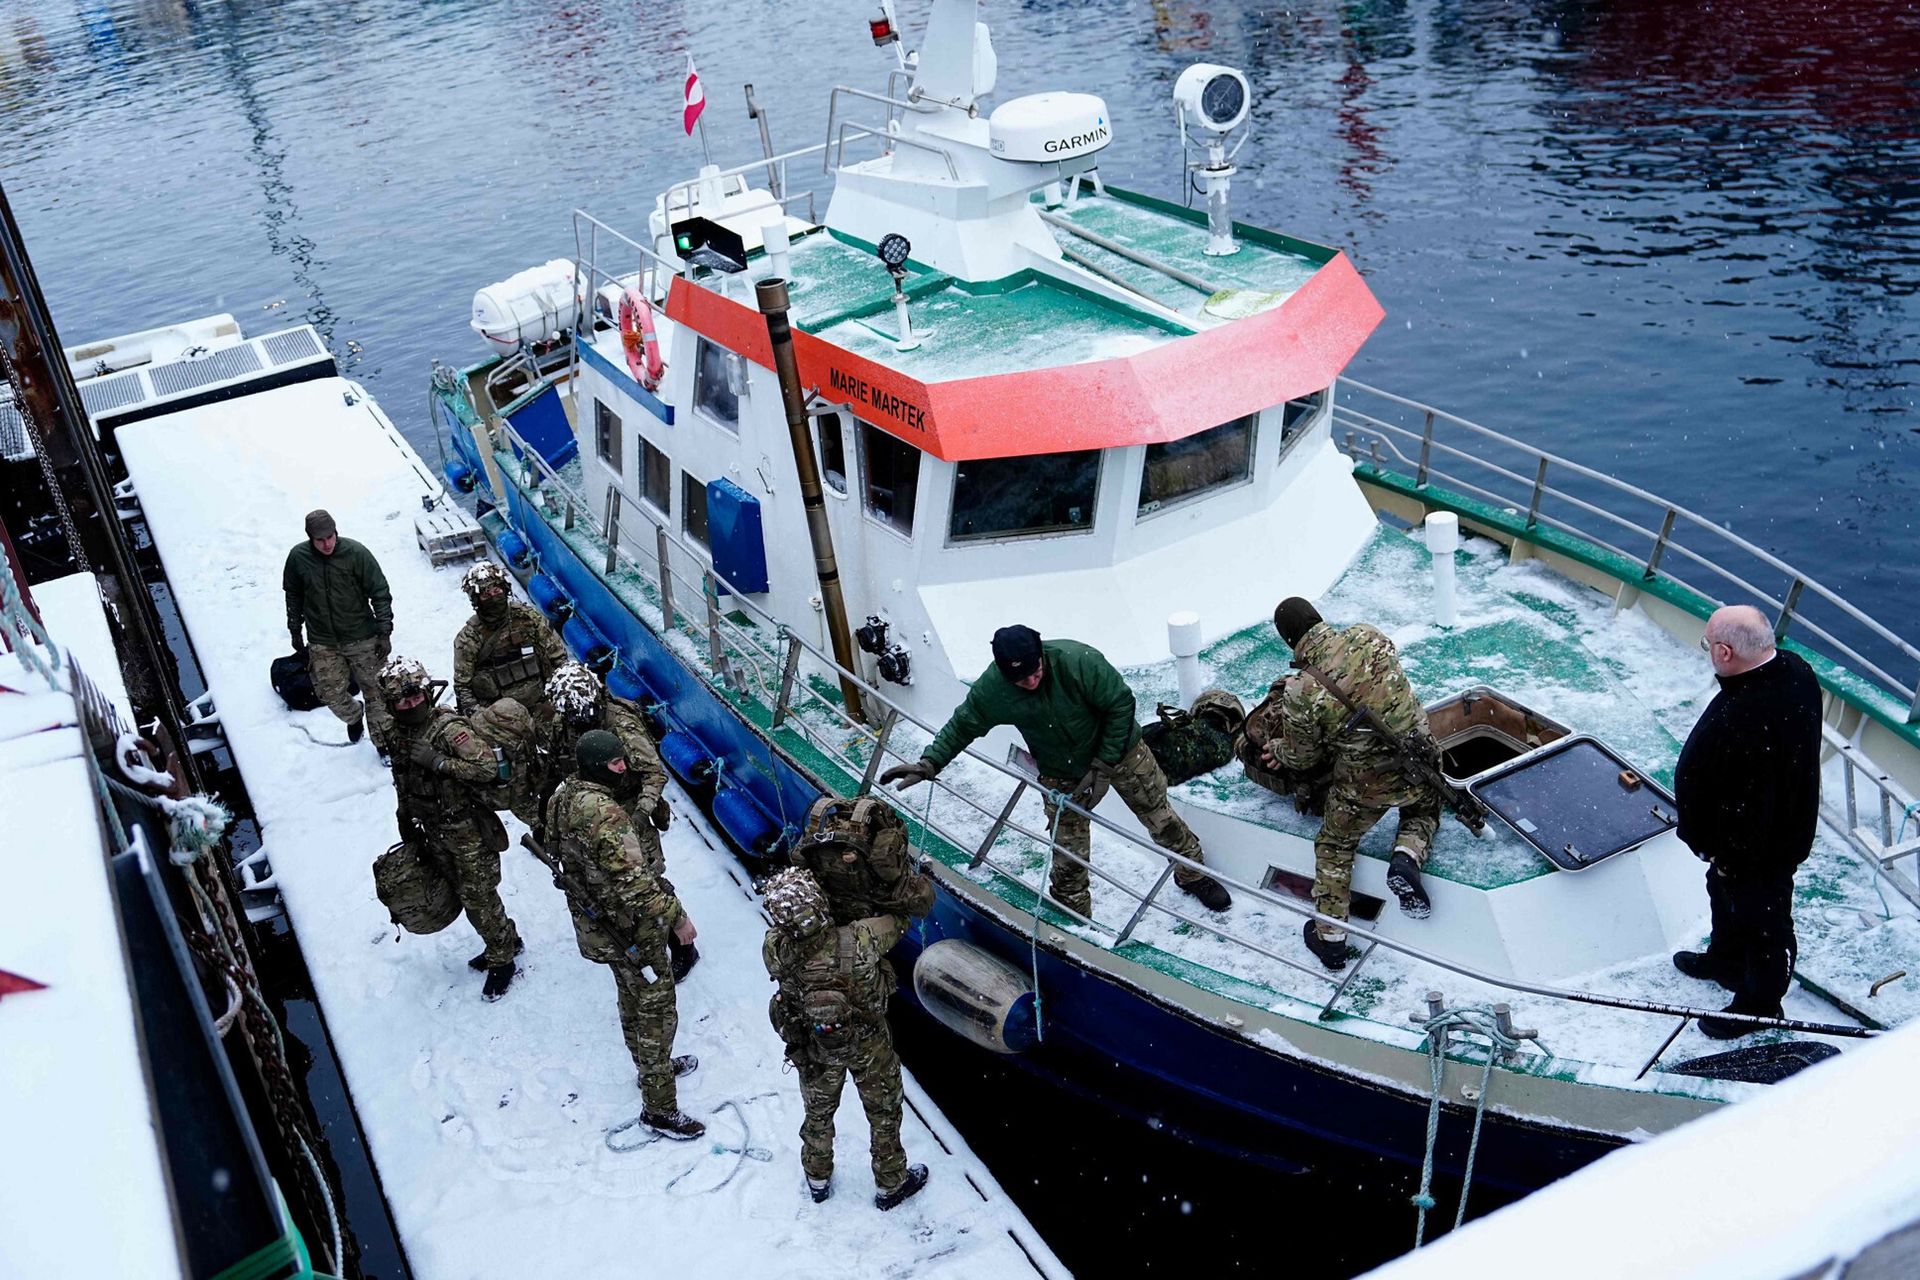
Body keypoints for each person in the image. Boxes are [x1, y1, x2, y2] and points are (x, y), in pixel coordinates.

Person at [880, 625, 1232, 919]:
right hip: (1061, 770)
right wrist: (930, 763)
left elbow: (1121, 705)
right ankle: (1073, 914)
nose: (1031, 682)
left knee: (1160, 816)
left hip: (1122, 752)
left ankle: (1192, 874)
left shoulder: (1079, 661)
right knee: (1068, 850)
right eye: (1021, 680)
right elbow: (963, 724)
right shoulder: (993, 690)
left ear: (1042, 655)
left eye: (1035, 672)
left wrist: (1104, 764)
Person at [1672, 604, 1822, 1039]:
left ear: (1725, 652)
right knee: (1724, 895)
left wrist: (1720, 851)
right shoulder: (1795, 670)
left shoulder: (1743, 717)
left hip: (1758, 848)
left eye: (1708, 644)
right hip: (1769, 831)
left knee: (1765, 921)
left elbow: (1747, 800)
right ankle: (1727, 959)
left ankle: (1761, 1004)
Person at [1266, 598, 1440, 972]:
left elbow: (1303, 758)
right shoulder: (1367, 634)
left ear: (1289, 639)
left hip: (1366, 784)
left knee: (1335, 845)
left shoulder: (1301, 689)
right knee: (1424, 807)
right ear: (1317, 618)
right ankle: (1407, 856)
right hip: (1421, 756)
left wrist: (1277, 747)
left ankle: (1330, 940)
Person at [545, 730, 704, 1138]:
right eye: (616, 763)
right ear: (597, 767)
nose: (624, 768)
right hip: (631, 928)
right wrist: (679, 920)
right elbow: (636, 885)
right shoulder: (606, 813)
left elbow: (558, 849)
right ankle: (660, 1108)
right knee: (656, 1011)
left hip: (601, 926)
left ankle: (651, 1068)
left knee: (631, 997)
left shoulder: (562, 797)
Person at [762, 867, 928, 1210]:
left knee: (818, 1113)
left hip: (815, 1044)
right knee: (883, 1112)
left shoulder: (775, 950)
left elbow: (787, 941)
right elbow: (901, 922)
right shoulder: (862, 939)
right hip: (869, 1042)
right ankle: (891, 1183)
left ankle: (817, 1177)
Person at [379, 656, 523, 999]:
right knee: (460, 890)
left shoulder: (447, 729)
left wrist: (439, 762)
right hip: (433, 827)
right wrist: (404, 814)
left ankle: (502, 957)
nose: (412, 705)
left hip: (466, 829)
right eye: (403, 702)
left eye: (416, 697)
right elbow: (402, 775)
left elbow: (486, 768)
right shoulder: (397, 733)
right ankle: (504, 938)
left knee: (478, 897)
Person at [544, 663, 695, 979]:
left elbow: (654, 774)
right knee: (604, 880)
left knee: (648, 876)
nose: (579, 720)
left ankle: (682, 944)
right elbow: (558, 765)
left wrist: (639, 815)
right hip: (590, 807)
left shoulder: (621, 724)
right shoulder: (564, 722)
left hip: (628, 806)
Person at [283, 509, 394, 754]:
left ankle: (384, 743)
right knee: (328, 692)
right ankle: (354, 715)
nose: (327, 544)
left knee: (377, 692)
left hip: (362, 635)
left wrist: (384, 631)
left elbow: (379, 591)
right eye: (320, 540)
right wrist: (295, 629)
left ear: (336, 532)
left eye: (330, 537)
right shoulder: (298, 558)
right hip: (323, 640)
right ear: (310, 539)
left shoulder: (356, 553)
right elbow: (293, 595)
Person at [451, 561, 568, 719]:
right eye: (486, 595)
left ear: (505, 590)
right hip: (499, 716)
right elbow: (462, 686)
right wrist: (482, 718)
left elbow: (558, 657)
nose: (493, 598)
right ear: (477, 601)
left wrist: (562, 693)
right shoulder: (469, 638)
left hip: (542, 701)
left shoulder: (528, 618)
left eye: (496, 591)